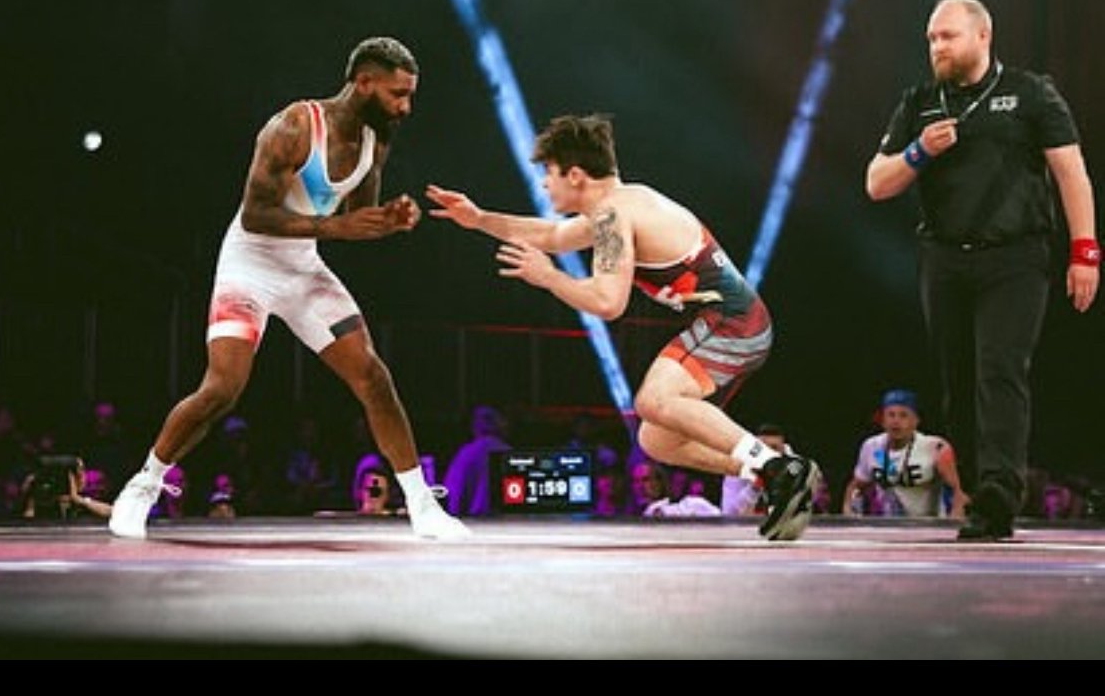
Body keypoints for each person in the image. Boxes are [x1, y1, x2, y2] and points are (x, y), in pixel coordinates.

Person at [110, 36, 469, 541]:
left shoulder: (377, 137)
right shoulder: (295, 127)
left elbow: (352, 218)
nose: (405, 107)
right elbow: (257, 216)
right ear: (363, 82)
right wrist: (338, 230)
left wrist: (388, 220)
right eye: (396, 94)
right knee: (222, 390)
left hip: (302, 266)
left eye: (409, 95)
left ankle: (421, 506)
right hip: (249, 263)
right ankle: (143, 485)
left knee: (373, 376)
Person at [426, 113, 821, 541]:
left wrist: (549, 277)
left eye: (548, 174)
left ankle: (779, 468)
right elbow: (554, 236)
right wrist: (479, 218)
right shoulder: (622, 204)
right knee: (657, 440)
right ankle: (766, 471)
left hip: (733, 323)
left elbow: (608, 303)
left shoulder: (614, 215)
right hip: (735, 322)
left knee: (654, 399)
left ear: (575, 175)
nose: (544, 185)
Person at [865, 0, 1099, 541]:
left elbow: (1072, 173)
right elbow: (876, 182)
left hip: (1016, 257)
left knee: (1000, 369)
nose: (937, 47)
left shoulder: (1029, 93)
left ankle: (998, 493)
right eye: (931, 39)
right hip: (945, 258)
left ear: (982, 35)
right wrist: (918, 153)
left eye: (947, 36)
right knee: (958, 379)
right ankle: (976, 489)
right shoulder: (920, 101)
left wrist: (1084, 250)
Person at [841, 389, 969, 519]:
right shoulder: (871, 446)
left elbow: (956, 492)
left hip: (927, 526)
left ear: (916, 421)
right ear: (883, 420)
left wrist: (954, 525)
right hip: (885, 526)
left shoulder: (936, 447)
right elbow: (856, 487)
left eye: (903, 415)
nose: (896, 421)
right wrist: (849, 512)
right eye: (891, 415)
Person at [442, 405, 512, 516]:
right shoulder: (509, 454)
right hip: (507, 526)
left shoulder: (466, 453)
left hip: (476, 526)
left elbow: (452, 498)